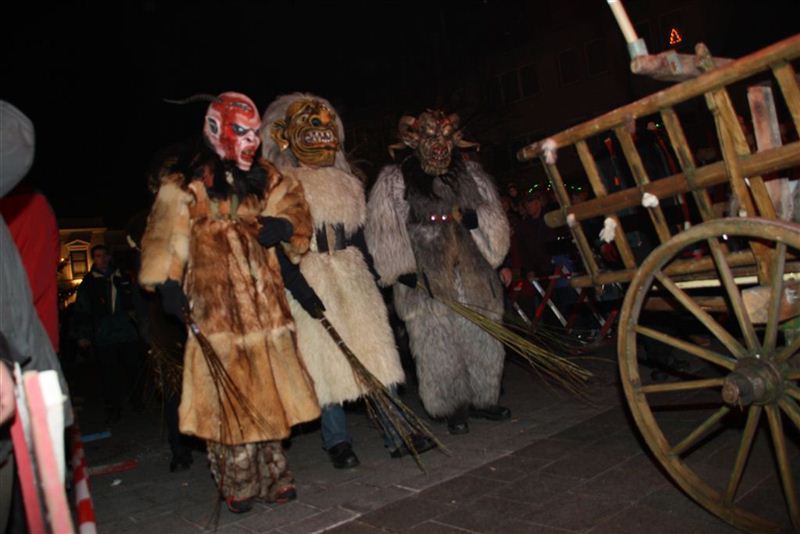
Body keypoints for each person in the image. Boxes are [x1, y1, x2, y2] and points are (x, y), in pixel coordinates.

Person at [138, 92, 320, 513]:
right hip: (215, 306)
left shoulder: (264, 174)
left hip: (264, 305)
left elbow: (294, 205)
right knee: (227, 397)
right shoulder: (185, 181)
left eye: (255, 133)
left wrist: (285, 226)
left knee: (269, 391)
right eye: (242, 132)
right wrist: (167, 283)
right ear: (215, 129)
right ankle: (236, 482)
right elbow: (165, 234)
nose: (252, 141)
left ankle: (276, 476)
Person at [262, 93, 432, 469]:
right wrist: (297, 287)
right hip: (310, 272)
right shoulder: (282, 185)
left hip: (352, 274)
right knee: (324, 360)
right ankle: (337, 441)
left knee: (376, 354)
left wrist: (376, 274)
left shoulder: (347, 183)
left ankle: (397, 431)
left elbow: (358, 235)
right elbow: (277, 245)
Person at [366, 110, 511, 435]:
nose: (439, 145)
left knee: (481, 332)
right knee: (436, 338)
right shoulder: (395, 180)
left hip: (472, 268)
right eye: (431, 136)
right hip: (427, 271)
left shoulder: (470, 175)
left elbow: (493, 217)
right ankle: (452, 405)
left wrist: (478, 222)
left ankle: (484, 398)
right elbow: (385, 225)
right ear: (413, 140)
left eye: (445, 136)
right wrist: (400, 268)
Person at [0, 100, 72, 533]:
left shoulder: (25, 209)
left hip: (24, 354)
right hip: (29, 352)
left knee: (34, 505)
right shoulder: (34, 205)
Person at [71, 244, 143, 424]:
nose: (102, 259)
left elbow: (136, 301)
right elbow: (82, 310)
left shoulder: (123, 277)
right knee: (109, 374)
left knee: (133, 369)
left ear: (109, 257)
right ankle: (113, 407)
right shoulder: (89, 283)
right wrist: (83, 335)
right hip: (104, 336)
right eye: (97, 256)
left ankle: (137, 401)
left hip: (127, 333)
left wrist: (140, 325)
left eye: (104, 255)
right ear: (93, 259)